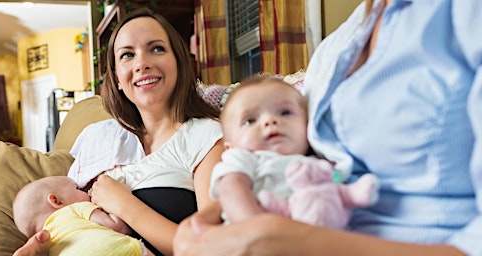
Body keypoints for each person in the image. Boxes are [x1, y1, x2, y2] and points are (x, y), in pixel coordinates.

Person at [173, 0, 482, 255]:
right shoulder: (337, 46)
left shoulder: (464, 15)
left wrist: (289, 241)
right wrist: (205, 223)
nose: (270, 122)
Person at [14, 7, 224, 256]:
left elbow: (211, 247)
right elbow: (60, 218)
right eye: (127, 55)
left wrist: (124, 205)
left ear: (178, 61)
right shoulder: (96, 138)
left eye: (156, 49)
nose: (142, 63)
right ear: (116, 79)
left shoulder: (206, 137)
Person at [210, 76, 378, 227]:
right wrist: (259, 229)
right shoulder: (244, 157)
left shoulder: (317, 162)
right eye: (250, 121)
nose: (270, 121)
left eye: (285, 112)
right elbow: (231, 191)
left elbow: (337, 181)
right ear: (230, 148)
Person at [13, 176, 152, 256]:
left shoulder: (47, 249)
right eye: (78, 189)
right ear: (56, 201)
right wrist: (122, 194)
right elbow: (119, 227)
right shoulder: (74, 209)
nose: (88, 192)